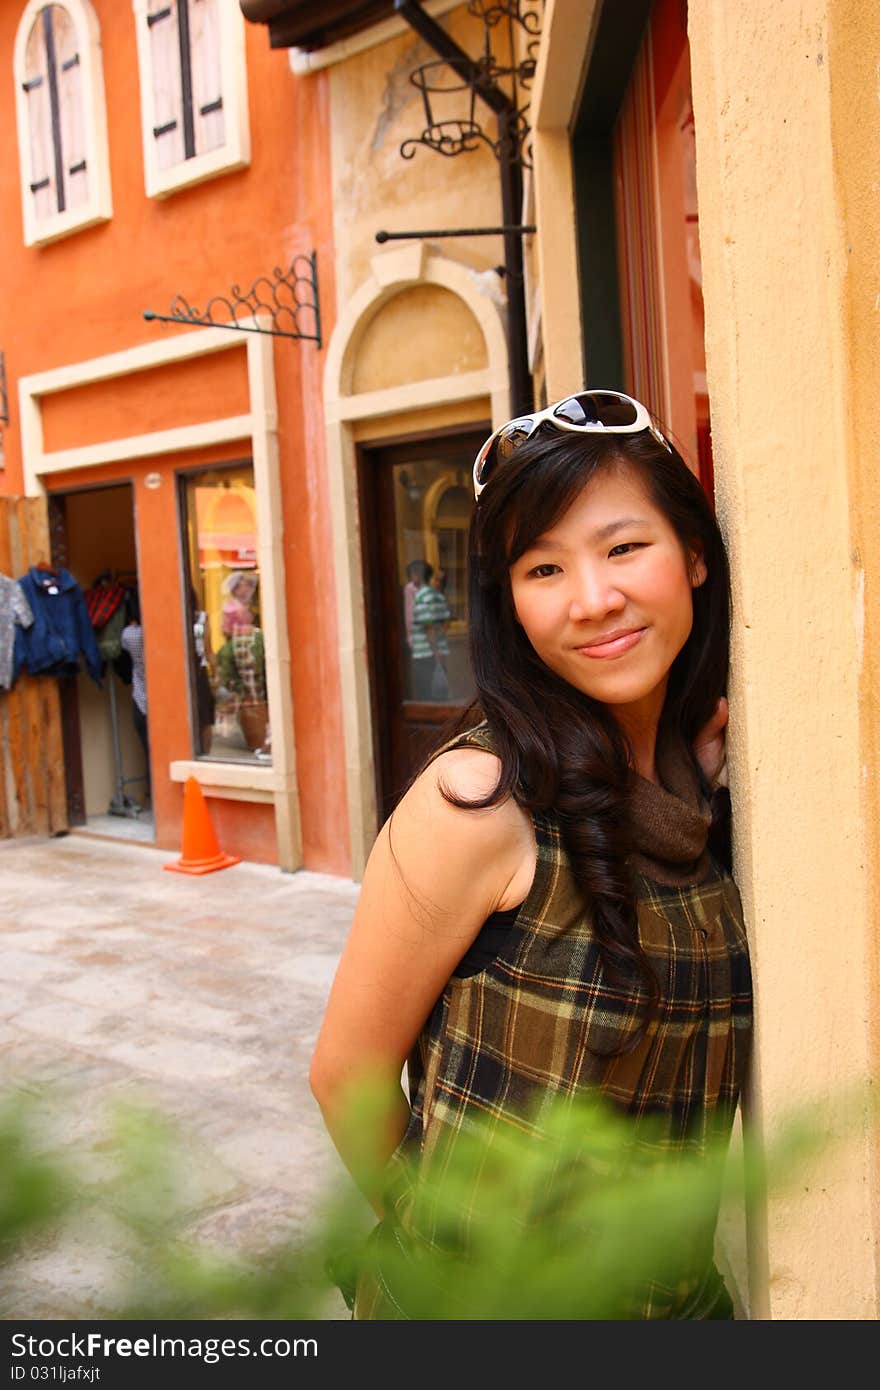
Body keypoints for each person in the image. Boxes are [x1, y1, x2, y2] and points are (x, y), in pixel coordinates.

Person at [311, 389, 750, 1320]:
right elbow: (345, 1074)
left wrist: (692, 788)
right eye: (544, 569)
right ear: (510, 606)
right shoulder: (476, 802)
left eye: (625, 547)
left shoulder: (689, 787)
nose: (594, 601)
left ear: (696, 556)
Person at [408, 559, 451, 701]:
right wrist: (440, 647)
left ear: (417, 575)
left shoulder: (421, 596)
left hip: (426, 654)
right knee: (440, 696)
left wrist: (435, 652)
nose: (411, 577)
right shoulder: (438, 596)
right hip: (439, 653)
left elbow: (429, 628)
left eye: (412, 574)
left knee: (426, 698)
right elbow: (445, 624)